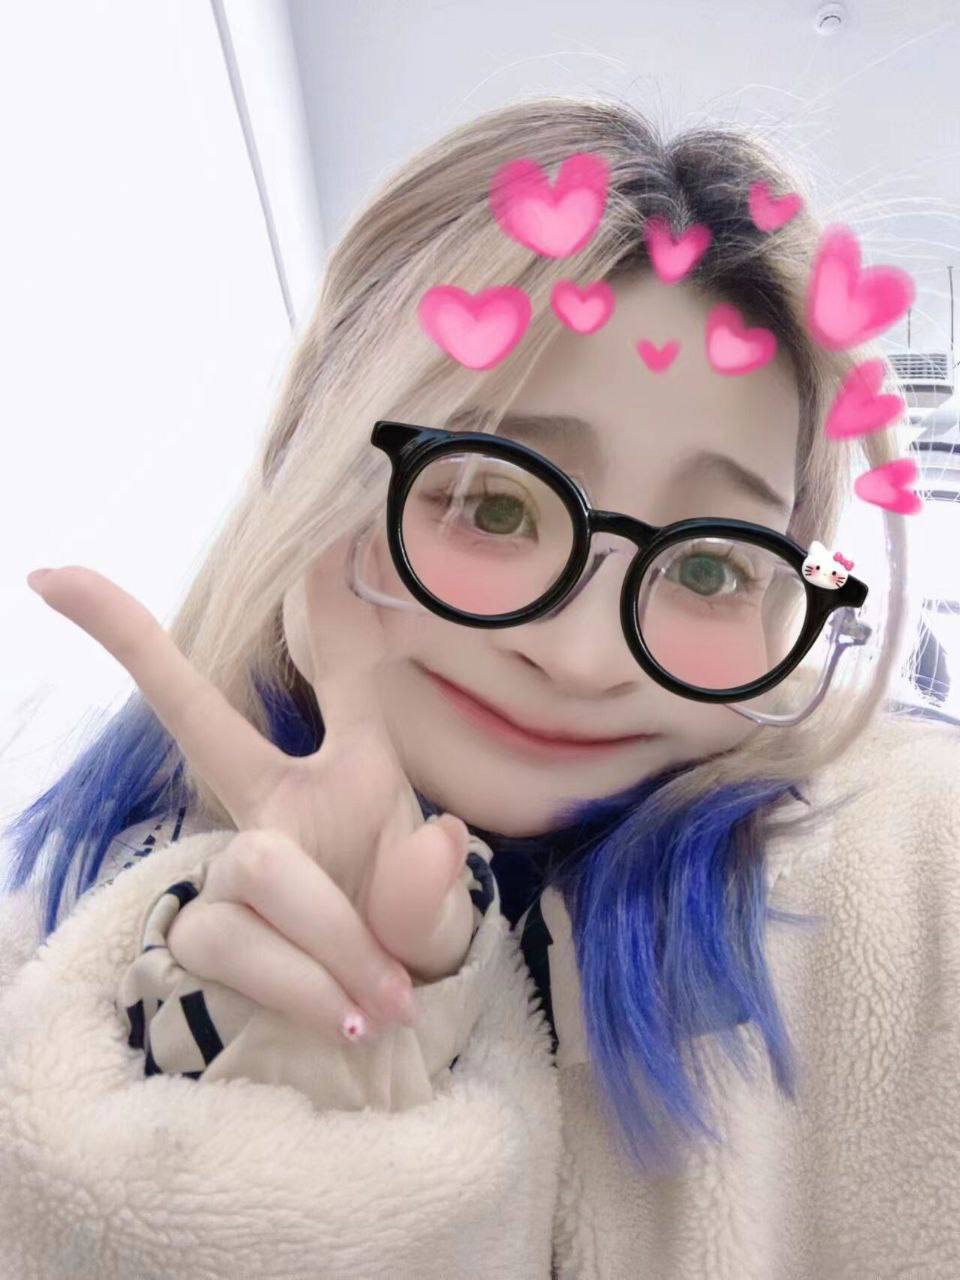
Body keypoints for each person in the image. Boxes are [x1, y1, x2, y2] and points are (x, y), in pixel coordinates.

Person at [1, 95, 958, 1279]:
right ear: (316, 471)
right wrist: (284, 1147)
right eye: (496, 504)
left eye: (709, 566)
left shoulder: (917, 891)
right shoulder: (48, 973)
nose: (585, 655)